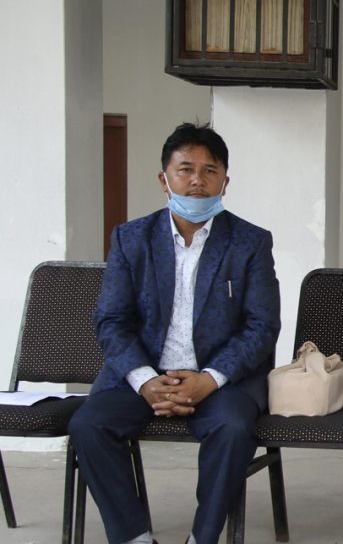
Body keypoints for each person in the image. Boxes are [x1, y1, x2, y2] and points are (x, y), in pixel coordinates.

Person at [69, 123, 281, 544]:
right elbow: (111, 321)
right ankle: (134, 537)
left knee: (233, 428)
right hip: (143, 377)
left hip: (220, 381)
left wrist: (209, 379)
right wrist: (145, 380)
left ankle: (202, 538)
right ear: (164, 179)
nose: (197, 180)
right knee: (89, 425)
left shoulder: (250, 242)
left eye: (210, 170)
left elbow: (262, 326)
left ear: (225, 182)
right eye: (185, 169)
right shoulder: (131, 238)